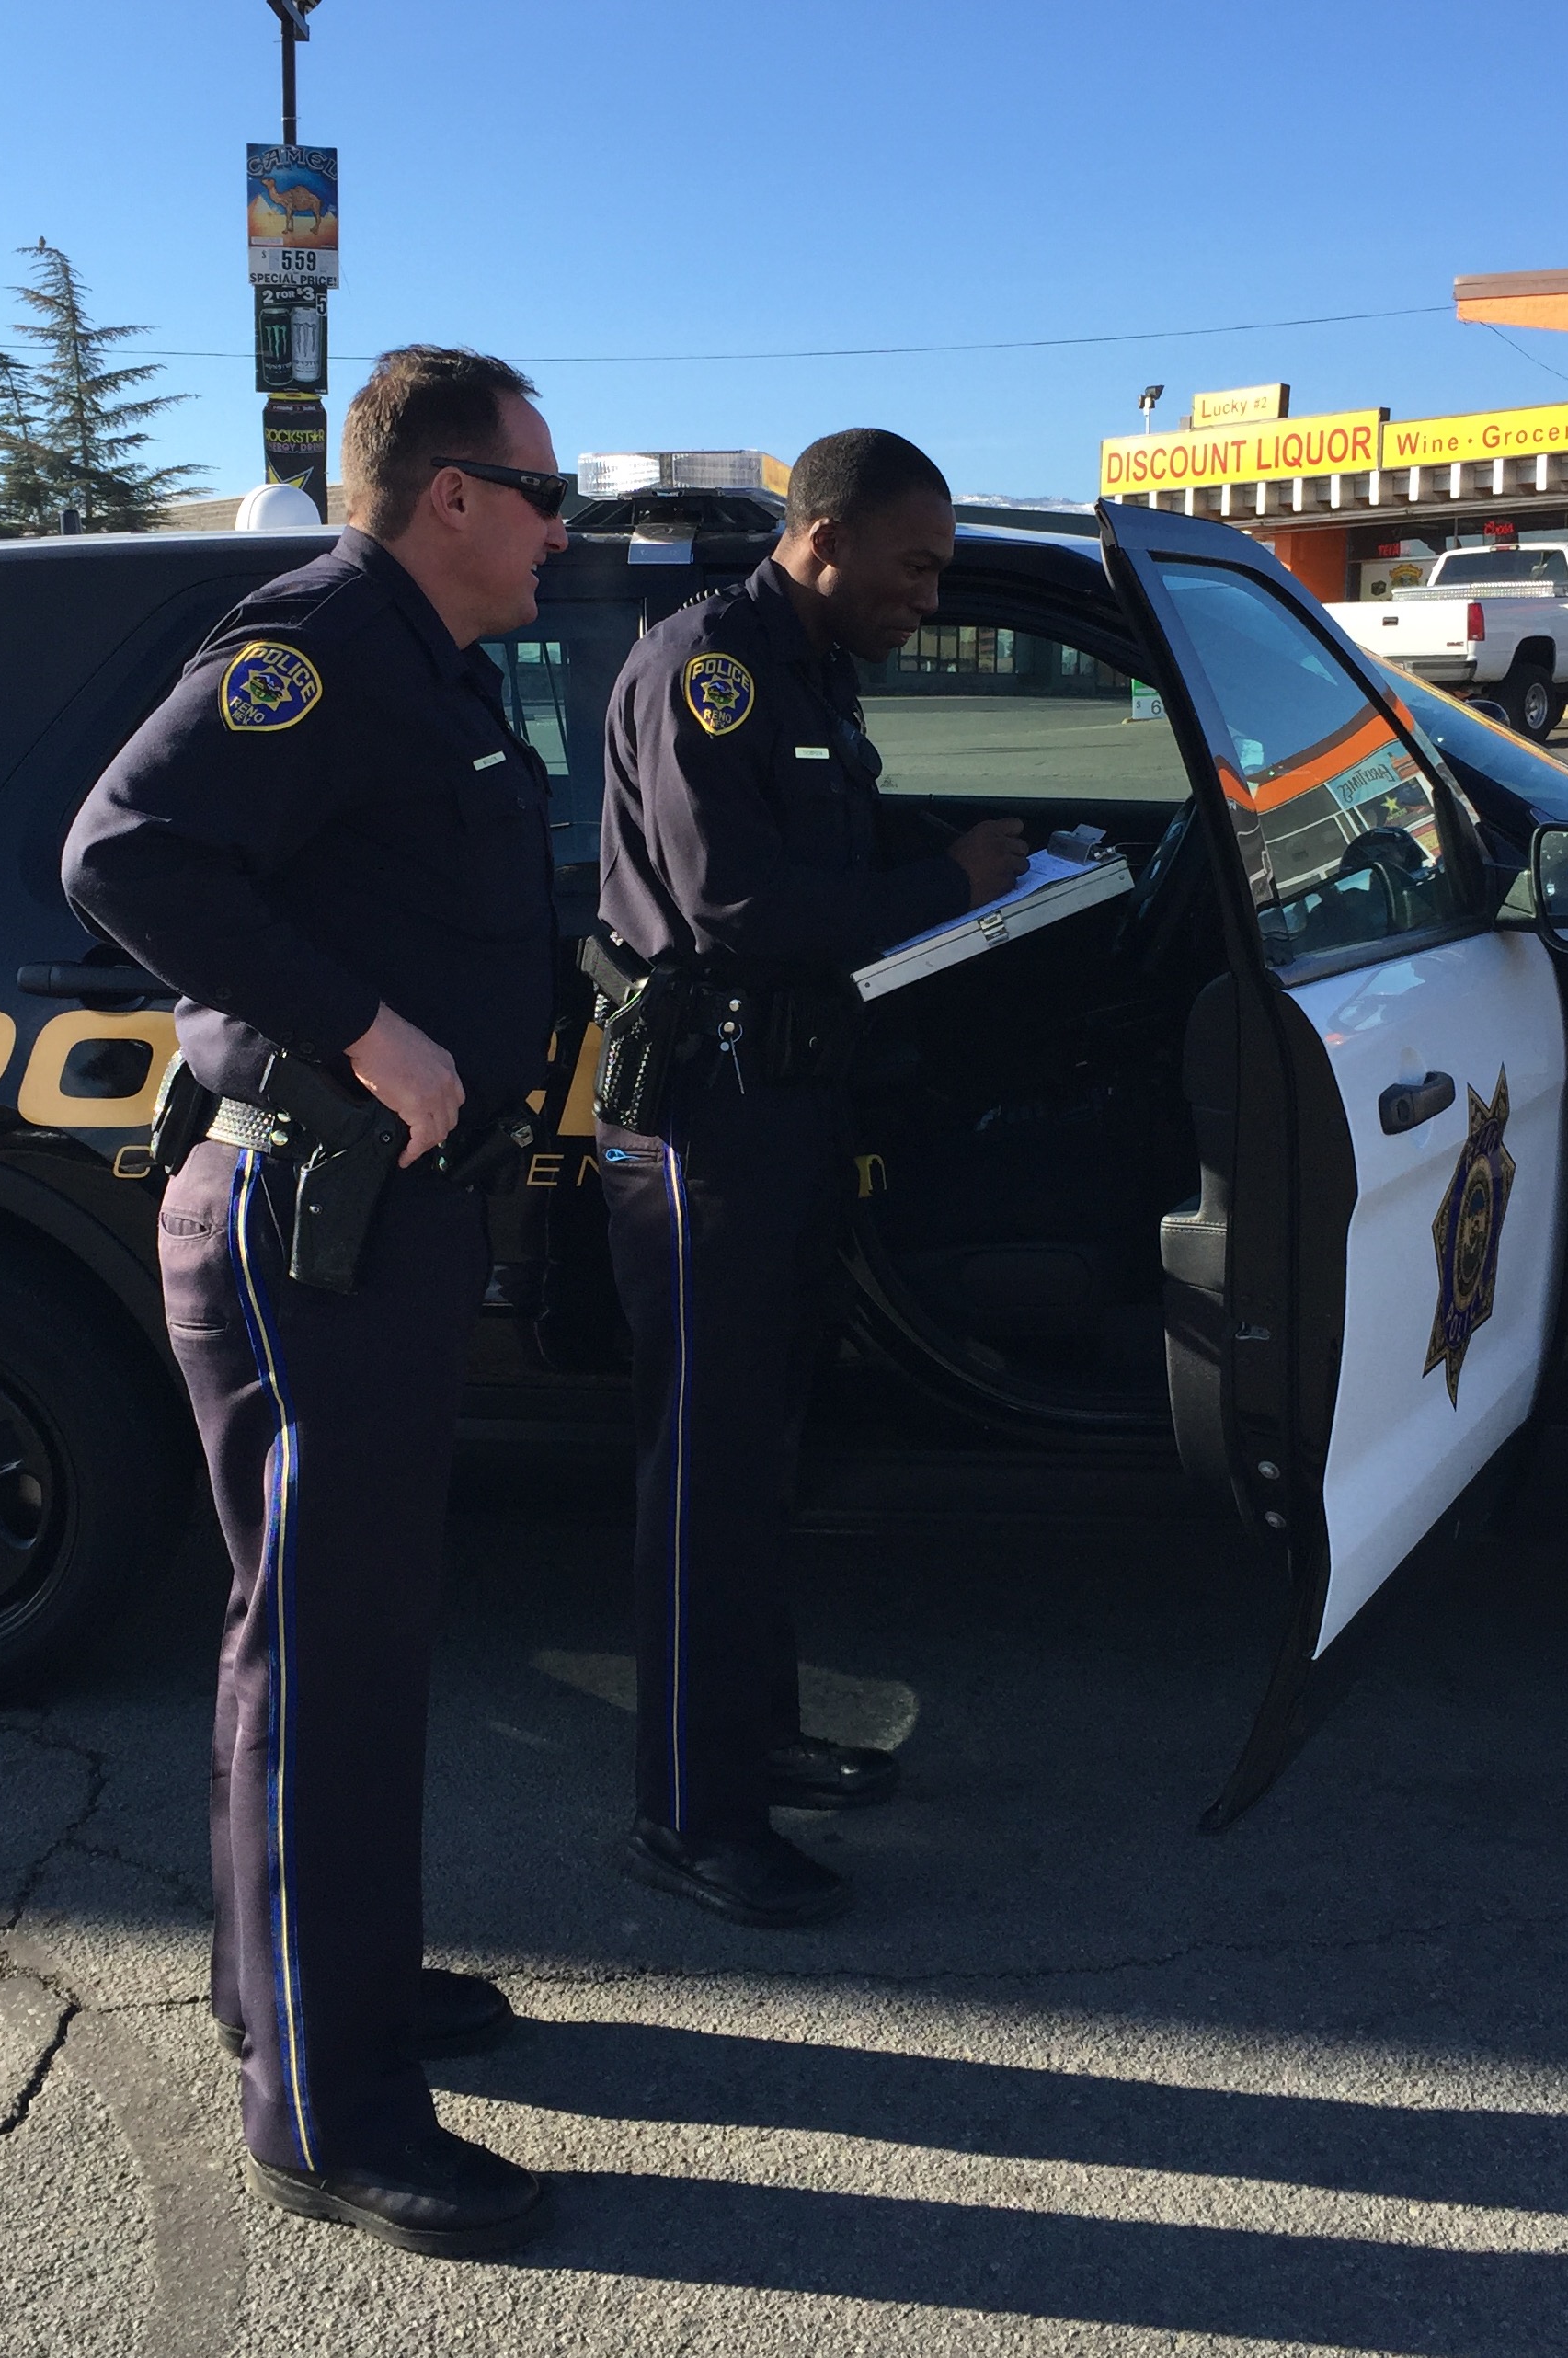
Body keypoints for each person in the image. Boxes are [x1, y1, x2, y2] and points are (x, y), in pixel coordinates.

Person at [61, 347, 567, 2258]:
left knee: (335, 1633)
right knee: (323, 1646)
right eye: (542, 494)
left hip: (378, 1220)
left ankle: (302, 1984)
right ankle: (324, 2107)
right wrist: (367, 1034)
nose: (555, 530)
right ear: (449, 493)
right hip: (306, 1222)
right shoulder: (329, 635)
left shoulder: (425, 662)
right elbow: (122, 847)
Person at [595, 427, 1027, 1929]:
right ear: (825, 539)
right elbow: (740, 902)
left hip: (780, 1104)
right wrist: (954, 886)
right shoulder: (711, 666)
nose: (931, 594)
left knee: (758, 1454)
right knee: (703, 1473)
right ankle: (688, 1813)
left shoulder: (811, 670)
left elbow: (818, 849)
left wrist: (998, 871)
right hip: (707, 1118)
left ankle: (752, 1738)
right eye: (915, 566)